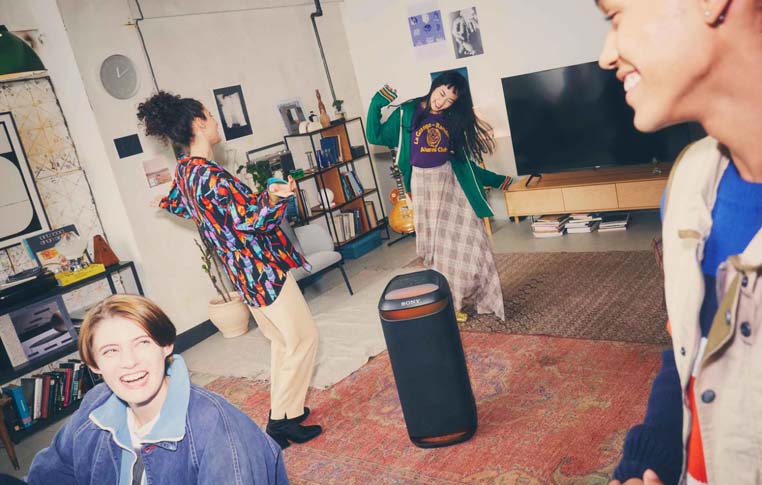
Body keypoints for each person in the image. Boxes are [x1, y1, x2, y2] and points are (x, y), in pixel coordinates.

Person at [594, 0, 762, 484]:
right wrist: (657, 452)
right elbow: (690, 350)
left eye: (615, 16)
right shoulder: (687, 184)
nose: (606, 55)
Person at [136, 92, 321, 448]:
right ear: (198, 123)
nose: (216, 120)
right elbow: (253, 220)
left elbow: (190, 207)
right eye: (210, 114)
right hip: (262, 270)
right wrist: (277, 197)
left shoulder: (187, 171)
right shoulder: (208, 175)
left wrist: (166, 201)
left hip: (243, 273)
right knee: (302, 338)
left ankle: (286, 413)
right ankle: (282, 422)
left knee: (283, 341)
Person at [26, 294, 288, 484]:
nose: (129, 362)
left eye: (142, 343)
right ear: (94, 365)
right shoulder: (95, 407)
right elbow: (48, 474)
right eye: (111, 351)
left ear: (166, 346)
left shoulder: (218, 430)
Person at [367, 71, 513, 323]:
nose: (442, 102)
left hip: (451, 186)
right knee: (440, 252)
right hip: (423, 188)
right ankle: (449, 304)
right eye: (441, 93)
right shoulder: (407, 113)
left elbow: (465, 166)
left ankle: (485, 300)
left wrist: (498, 180)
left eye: (449, 100)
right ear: (434, 86)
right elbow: (375, 135)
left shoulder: (452, 120)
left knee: (475, 242)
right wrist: (377, 101)